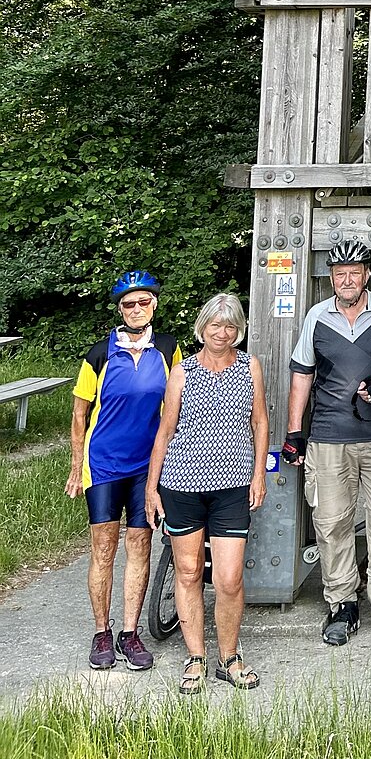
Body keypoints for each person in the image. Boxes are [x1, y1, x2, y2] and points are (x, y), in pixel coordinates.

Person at [284, 237, 371, 647]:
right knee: (331, 522)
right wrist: (293, 432)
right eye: (340, 273)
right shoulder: (316, 317)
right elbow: (303, 375)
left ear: (366, 274)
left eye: (354, 272)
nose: (347, 279)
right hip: (328, 435)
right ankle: (342, 603)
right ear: (331, 277)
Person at [145, 294, 268, 694]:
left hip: (232, 486)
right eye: (215, 325)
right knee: (188, 572)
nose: (222, 332)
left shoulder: (250, 368)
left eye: (230, 326)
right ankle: (195, 656)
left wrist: (259, 474)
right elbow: (165, 431)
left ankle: (229, 657)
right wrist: (151, 487)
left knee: (230, 579)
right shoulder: (182, 372)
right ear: (202, 328)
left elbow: (261, 423)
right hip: (182, 485)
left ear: (238, 330)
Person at [65, 271, 180, 672]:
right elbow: (79, 413)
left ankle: (130, 634)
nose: (136, 309)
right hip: (104, 465)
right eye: (128, 304)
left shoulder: (168, 350)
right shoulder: (99, 353)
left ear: (154, 305)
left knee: (140, 546)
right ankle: (102, 632)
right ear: (119, 309)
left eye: (143, 302)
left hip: (148, 468)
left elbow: (177, 407)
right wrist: (75, 467)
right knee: (103, 549)